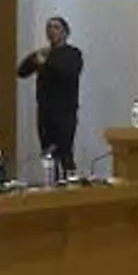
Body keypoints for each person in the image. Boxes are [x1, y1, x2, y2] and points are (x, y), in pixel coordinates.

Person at [17, 16, 84, 176]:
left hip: (65, 111)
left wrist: (46, 63)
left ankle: (69, 181)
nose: (51, 31)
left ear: (65, 32)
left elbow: (68, 74)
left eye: (56, 27)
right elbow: (21, 72)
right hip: (45, 111)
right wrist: (34, 59)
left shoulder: (73, 53)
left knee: (65, 151)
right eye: (49, 27)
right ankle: (51, 181)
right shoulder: (44, 53)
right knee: (47, 152)